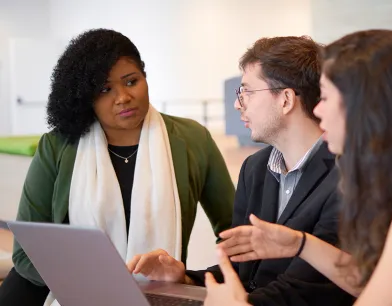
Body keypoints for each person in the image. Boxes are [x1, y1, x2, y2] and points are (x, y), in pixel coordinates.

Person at [206, 29, 392, 305]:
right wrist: (300, 243)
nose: (318, 110)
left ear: (366, 107)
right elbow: (369, 280)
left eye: (325, 97)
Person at [0, 28, 235, 306]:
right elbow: (26, 255)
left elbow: (236, 234)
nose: (123, 97)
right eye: (104, 89)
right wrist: (92, 283)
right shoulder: (58, 146)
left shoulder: (193, 139)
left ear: (145, 77)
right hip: (59, 293)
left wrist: (192, 280)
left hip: (161, 295)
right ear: (85, 97)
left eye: (131, 81)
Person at [127, 36, 355, 306]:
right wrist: (184, 279)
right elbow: (241, 271)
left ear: (285, 100)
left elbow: (306, 290)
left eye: (246, 91)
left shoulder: (347, 176)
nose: (238, 104)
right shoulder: (255, 168)